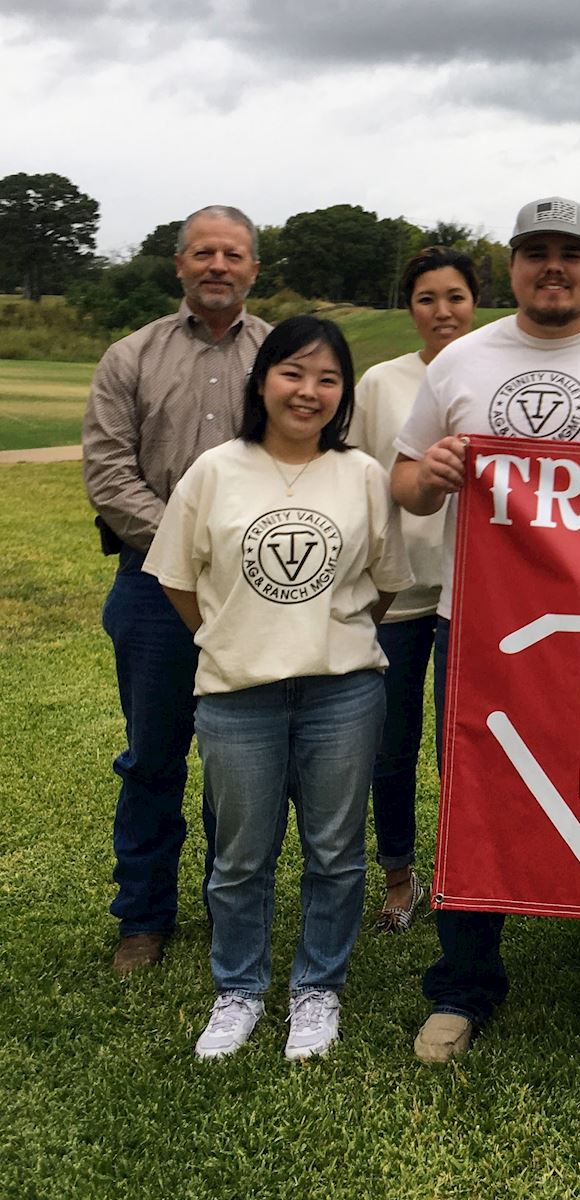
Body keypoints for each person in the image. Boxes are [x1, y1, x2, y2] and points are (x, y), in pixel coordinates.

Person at [392, 196, 580, 1061]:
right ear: (514, 267)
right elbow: (404, 479)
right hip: (483, 629)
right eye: (537, 253)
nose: (554, 267)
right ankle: (463, 987)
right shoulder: (460, 361)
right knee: (476, 800)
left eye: (572, 253)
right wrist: (437, 474)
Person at [144, 316, 413, 1060]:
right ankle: (239, 991)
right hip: (237, 696)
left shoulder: (360, 474)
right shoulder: (215, 470)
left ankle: (316, 989)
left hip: (343, 693)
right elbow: (176, 579)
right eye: (294, 373)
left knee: (335, 853)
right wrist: (230, 636)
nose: (310, 391)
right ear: (262, 379)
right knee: (239, 857)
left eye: (329, 379)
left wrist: (332, 633)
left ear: (343, 395)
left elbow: (382, 587)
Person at [82, 205, 270, 975]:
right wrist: (188, 548)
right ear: (180, 264)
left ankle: (231, 912)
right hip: (152, 590)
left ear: (254, 267)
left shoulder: (282, 354)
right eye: (204, 252)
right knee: (153, 760)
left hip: (256, 591)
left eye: (233, 253)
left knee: (241, 766)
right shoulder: (130, 356)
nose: (217, 265)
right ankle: (143, 918)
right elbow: (108, 472)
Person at [349, 246, 479, 934]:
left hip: (475, 592)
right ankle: (400, 877)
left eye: (455, 296)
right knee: (390, 745)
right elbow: (359, 478)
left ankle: (462, 875)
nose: (442, 311)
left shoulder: (494, 371)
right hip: (396, 592)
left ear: (475, 301)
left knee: (461, 747)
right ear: (410, 308)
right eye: (427, 298)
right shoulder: (380, 383)